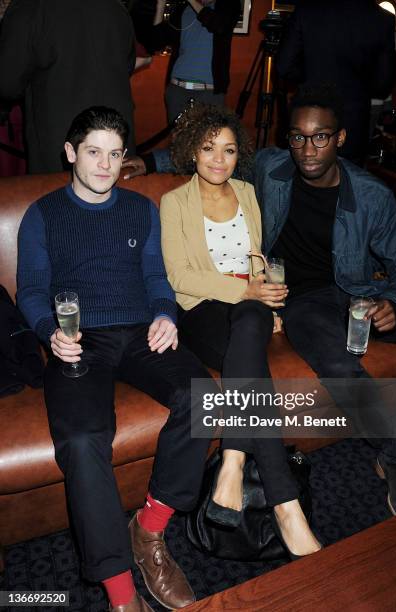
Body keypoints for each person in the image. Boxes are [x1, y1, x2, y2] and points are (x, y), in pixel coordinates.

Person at [121, 84, 396, 516]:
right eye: (298, 137)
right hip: (301, 300)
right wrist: (148, 160)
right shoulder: (273, 169)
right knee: (335, 358)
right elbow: (211, 152)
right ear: (287, 139)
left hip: (358, 292)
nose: (307, 149)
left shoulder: (371, 196)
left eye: (321, 137)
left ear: (340, 138)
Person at [16, 106, 219, 612]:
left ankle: (149, 529)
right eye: (93, 152)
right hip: (79, 338)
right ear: (70, 153)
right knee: (83, 439)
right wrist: (50, 334)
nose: (105, 165)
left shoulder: (139, 208)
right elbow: (33, 290)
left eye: (114, 154)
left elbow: (156, 277)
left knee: (204, 394)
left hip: (138, 331)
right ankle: (121, 593)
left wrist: (166, 314)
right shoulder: (43, 214)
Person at [159, 102, 321, 558]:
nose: (218, 159)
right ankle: (285, 503)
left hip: (247, 312)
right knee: (248, 319)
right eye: (209, 148)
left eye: (229, 150)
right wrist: (248, 294)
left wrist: (267, 291)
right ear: (193, 151)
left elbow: (257, 258)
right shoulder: (174, 202)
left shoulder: (248, 192)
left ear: (238, 157)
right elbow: (179, 277)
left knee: (250, 324)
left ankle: (235, 459)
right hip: (201, 312)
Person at [0, 0, 136, 174]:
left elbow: (8, 84)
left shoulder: (30, 7)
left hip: (62, 141)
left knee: (59, 199)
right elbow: (127, 66)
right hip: (115, 135)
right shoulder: (116, 7)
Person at [275, 0, 396, 165]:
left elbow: (284, 67)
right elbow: (383, 84)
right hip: (353, 121)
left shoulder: (308, 9)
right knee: (348, 181)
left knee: (300, 177)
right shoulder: (382, 18)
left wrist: (313, 78)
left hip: (310, 116)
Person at [145, 0, 240, 124]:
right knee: (179, 142)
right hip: (177, 90)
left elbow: (219, 26)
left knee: (208, 141)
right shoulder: (183, 9)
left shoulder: (228, 4)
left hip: (209, 93)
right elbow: (156, 42)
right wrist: (160, 6)